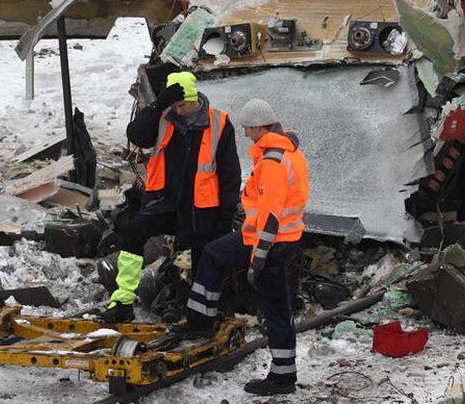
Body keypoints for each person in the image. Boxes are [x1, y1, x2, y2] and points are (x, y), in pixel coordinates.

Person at [177, 98, 309, 397]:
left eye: (248, 128)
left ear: (260, 126)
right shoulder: (287, 153)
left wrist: (258, 259)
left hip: (270, 245)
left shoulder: (274, 162)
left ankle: (282, 378)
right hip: (264, 239)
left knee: (276, 309)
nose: (246, 134)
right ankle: (199, 320)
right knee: (213, 254)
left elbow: (270, 217)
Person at [98, 70, 240, 325]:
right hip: (166, 203)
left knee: (203, 260)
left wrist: (225, 216)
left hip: (202, 209)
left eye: (183, 105)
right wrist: (158, 104)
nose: (179, 110)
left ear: (195, 99)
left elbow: (230, 175)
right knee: (133, 232)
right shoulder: (164, 117)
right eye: (174, 105)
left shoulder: (218, 123)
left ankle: (204, 317)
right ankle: (122, 301)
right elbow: (136, 135)